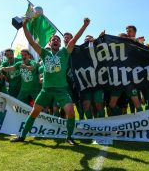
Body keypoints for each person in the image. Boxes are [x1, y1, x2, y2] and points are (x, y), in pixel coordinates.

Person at [11, 17, 90, 145]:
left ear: (60, 44)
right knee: (34, 112)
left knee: (70, 111)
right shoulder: (44, 54)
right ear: (50, 43)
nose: (56, 41)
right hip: (45, 90)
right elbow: (31, 40)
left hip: (61, 90)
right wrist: (24, 26)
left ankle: (69, 137)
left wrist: (84, 26)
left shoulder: (64, 52)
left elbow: (74, 39)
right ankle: (22, 136)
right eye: (53, 39)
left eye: (58, 40)